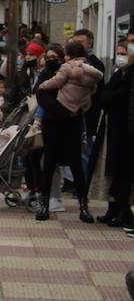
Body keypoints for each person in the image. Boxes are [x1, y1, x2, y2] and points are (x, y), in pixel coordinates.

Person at [35, 39, 102, 222]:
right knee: (49, 165)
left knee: (76, 164)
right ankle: (44, 204)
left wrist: (76, 110)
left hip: (73, 124)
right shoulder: (48, 73)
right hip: (54, 123)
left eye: (56, 57)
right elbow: (41, 95)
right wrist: (64, 111)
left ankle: (83, 205)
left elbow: (92, 92)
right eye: (49, 57)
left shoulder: (76, 72)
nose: (52, 60)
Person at [99, 44, 133, 228]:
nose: (120, 57)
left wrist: (108, 97)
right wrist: (108, 98)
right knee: (112, 172)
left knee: (123, 174)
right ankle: (113, 209)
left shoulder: (130, 76)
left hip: (125, 130)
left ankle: (124, 212)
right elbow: (103, 94)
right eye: (118, 53)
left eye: (124, 53)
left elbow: (117, 96)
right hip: (113, 127)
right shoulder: (118, 73)